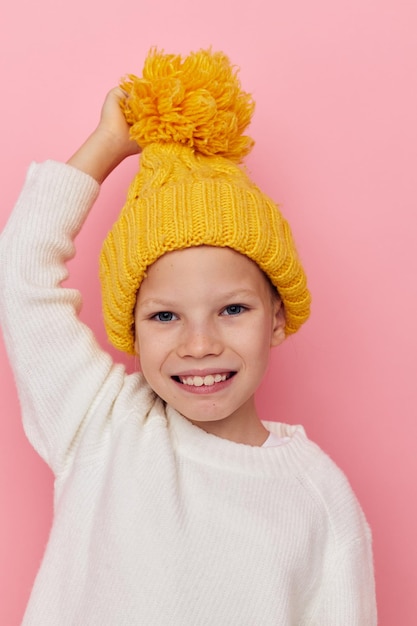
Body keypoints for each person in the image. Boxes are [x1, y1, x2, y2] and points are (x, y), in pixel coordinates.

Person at [0, 49, 377, 625]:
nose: (199, 344)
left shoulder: (319, 500)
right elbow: (22, 273)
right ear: (131, 328)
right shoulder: (100, 422)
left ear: (276, 316)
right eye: (165, 317)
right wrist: (105, 146)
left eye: (231, 309)